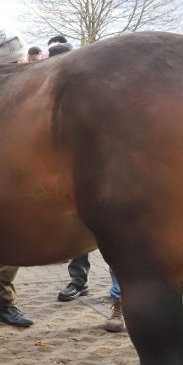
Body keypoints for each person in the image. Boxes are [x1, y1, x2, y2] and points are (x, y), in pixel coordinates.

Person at [51, 40, 125, 333]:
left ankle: (120, 300)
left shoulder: (106, 89)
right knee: (78, 233)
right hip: (76, 179)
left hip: (110, 178)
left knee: (117, 241)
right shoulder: (59, 97)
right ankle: (78, 281)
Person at [0, 29, 34, 328]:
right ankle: (4, 302)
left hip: (2, 175)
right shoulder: (5, 88)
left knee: (0, 241)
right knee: (11, 242)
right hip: (6, 177)